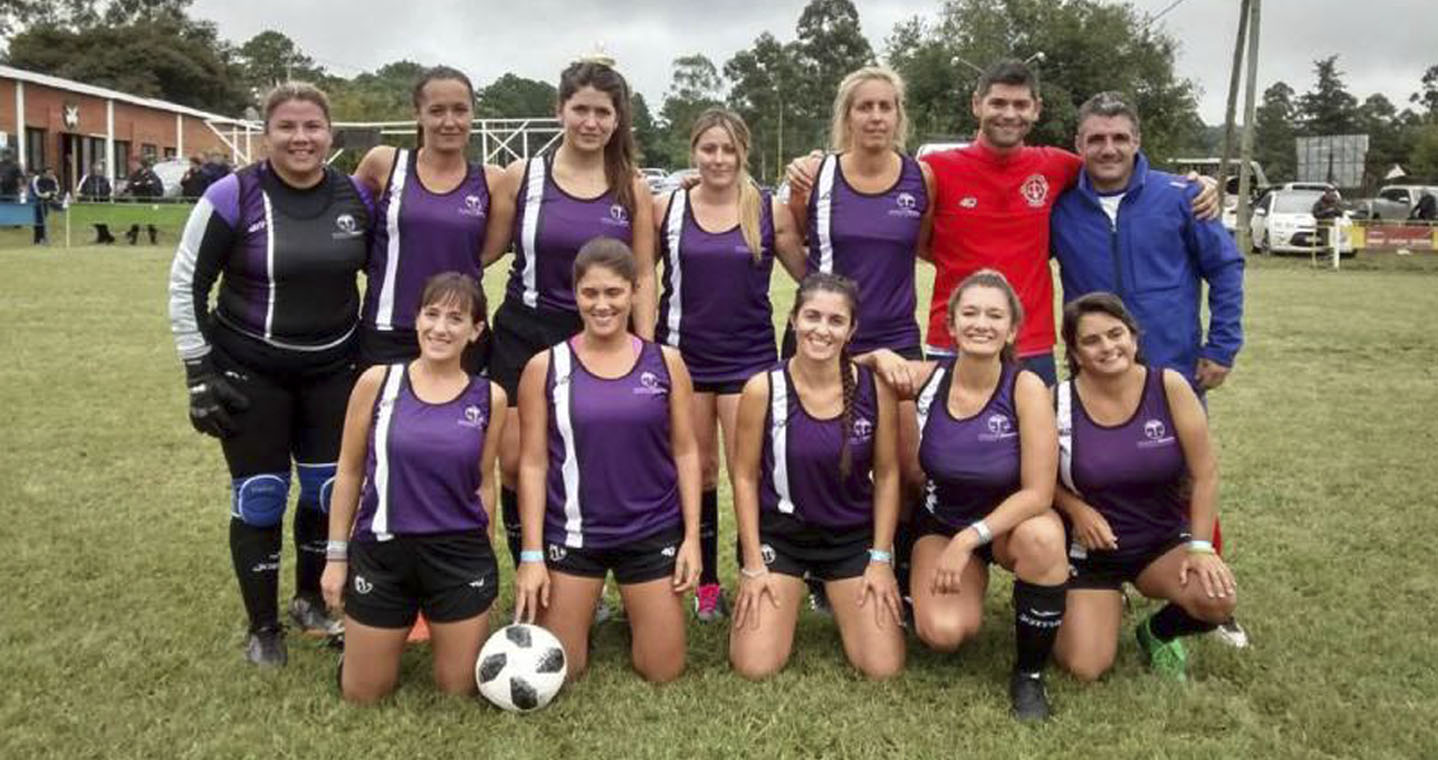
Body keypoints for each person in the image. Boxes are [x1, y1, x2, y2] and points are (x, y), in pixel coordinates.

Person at [167, 81, 373, 666]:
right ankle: (263, 627)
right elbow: (187, 285)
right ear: (267, 133)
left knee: (328, 492)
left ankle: (310, 599)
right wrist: (199, 372)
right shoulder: (233, 195)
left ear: (330, 134)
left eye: (313, 127)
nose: (301, 138)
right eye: (288, 127)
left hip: (333, 370)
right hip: (249, 371)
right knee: (260, 496)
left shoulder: (355, 197)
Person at [1050, 92, 1248, 647]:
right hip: (1093, 371)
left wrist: (1223, 345)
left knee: (1185, 478)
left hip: (1172, 369)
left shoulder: (1181, 197)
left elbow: (1225, 268)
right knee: (1089, 471)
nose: (1108, 149)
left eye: (1119, 138)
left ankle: (1207, 588)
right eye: (1096, 139)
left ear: (1137, 141)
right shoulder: (1063, 206)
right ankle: (1092, 577)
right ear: (1079, 145)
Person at [918, 60, 1218, 384]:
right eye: (998, 103)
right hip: (953, 340)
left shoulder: (1057, 167)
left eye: (1020, 104)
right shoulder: (934, 170)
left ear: (1036, 109)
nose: (1009, 113)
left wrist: (1194, 184)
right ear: (977, 105)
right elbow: (920, 243)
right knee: (948, 436)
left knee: (1038, 435)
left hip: (1030, 345)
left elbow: (1118, 168)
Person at [861, 270, 1064, 720]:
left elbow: (1038, 492)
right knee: (944, 633)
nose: (981, 324)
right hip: (943, 521)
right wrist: (877, 355)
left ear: (1012, 329)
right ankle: (936, 585)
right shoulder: (929, 379)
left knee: (1044, 539)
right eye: (969, 313)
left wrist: (969, 539)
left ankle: (1029, 674)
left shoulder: (1026, 387)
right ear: (950, 325)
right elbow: (847, 365)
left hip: (1010, 525)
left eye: (995, 315)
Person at [484, 58, 655, 570]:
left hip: (601, 338)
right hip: (525, 331)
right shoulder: (522, 177)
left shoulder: (633, 186)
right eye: (580, 109)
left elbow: (643, 274)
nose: (591, 122)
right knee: (515, 463)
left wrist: (645, 350)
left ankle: (582, 568)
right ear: (559, 110)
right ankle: (530, 565)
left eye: (603, 112)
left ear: (618, 119)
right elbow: (483, 252)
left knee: (584, 460)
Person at [782, 66, 935, 613]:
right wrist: (820, 303)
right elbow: (793, 238)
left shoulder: (921, 178)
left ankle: (900, 573)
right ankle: (821, 575)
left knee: (910, 467)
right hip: (823, 339)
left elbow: (921, 246)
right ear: (845, 116)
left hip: (897, 338)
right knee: (819, 460)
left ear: (899, 115)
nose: (875, 116)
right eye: (863, 107)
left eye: (885, 106)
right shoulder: (815, 177)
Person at [512, 238, 701, 682]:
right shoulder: (546, 367)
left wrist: (691, 537)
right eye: (590, 293)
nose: (602, 305)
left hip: (649, 530)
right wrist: (533, 554)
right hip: (575, 535)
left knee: (662, 670)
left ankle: (633, 608)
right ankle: (585, 606)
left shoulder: (666, 363)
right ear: (575, 293)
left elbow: (686, 451)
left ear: (634, 292)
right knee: (562, 669)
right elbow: (534, 465)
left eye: (613, 292)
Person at [321, 273, 505, 703]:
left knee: (459, 690)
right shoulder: (377, 383)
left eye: (456, 318)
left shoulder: (489, 397)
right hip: (384, 552)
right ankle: (366, 645)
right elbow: (349, 472)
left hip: (458, 556)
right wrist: (336, 558)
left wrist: (485, 560)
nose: (440, 328)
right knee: (363, 694)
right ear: (417, 318)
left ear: (476, 330)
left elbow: (483, 481)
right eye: (432, 313)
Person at [653, 108, 805, 622]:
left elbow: (812, 277)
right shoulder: (667, 209)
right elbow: (634, 277)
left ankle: (753, 569)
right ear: (694, 150)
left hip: (748, 358)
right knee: (700, 471)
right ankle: (707, 585)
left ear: (744, 152)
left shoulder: (768, 209)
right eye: (708, 148)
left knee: (751, 471)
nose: (718, 159)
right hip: (684, 359)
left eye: (728, 149)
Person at [728, 272, 905, 681]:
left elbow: (890, 475)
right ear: (793, 320)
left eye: (835, 320)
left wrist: (880, 559)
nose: (821, 330)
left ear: (852, 329)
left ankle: (835, 587)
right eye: (812, 317)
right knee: (756, 666)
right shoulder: (763, 388)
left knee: (883, 667)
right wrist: (753, 563)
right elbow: (743, 478)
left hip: (849, 539)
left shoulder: (875, 391)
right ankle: (790, 585)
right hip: (783, 536)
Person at [1052, 293, 1237, 683]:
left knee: (1216, 599)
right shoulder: (1058, 402)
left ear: (1134, 338)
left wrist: (1201, 549)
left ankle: (1157, 633)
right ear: (1075, 352)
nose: (1107, 347)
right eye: (1091, 341)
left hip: (1159, 541)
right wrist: (1075, 508)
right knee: (1085, 667)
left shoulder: (1168, 386)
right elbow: (1035, 479)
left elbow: (1205, 473)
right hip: (1091, 553)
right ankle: (1091, 604)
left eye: (1115, 334)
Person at [354, 65, 502, 375]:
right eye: (437, 110)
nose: (449, 121)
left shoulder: (493, 181)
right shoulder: (383, 164)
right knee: (384, 423)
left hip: (460, 333)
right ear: (418, 114)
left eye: (460, 110)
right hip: (388, 329)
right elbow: (345, 222)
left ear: (473, 113)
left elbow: (488, 251)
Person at [124, 157, 164, 245]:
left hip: (148, 200)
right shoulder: (135, 174)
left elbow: (151, 185)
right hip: (138, 200)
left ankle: (153, 240)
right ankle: (133, 240)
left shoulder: (151, 174)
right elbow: (131, 185)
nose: (133, 166)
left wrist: (139, 184)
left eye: (135, 164)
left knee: (149, 221)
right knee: (136, 220)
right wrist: (138, 184)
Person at [29, 167, 59, 245]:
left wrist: (52, 195)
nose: (51, 175)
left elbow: (56, 189)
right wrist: (45, 195)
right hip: (37, 202)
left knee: (43, 220)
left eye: (52, 173)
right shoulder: (36, 179)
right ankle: (37, 239)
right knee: (38, 221)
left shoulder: (53, 179)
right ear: (44, 173)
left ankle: (43, 238)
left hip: (46, 202)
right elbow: (36, 191)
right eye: (49, 173)